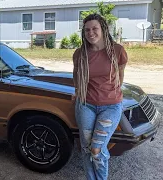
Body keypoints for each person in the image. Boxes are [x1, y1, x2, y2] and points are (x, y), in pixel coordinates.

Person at [72, 13, 128, 180]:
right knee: (86, 147)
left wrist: (113, 92)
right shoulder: (79, 54)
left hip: (110, 106)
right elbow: (76, 75)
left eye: (95, 28)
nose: (91, 33)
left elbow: (120, 75)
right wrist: (77, 92)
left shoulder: (117, 51)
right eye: (87, 30)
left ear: (103, 29)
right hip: (85, 105)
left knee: (97, 148)